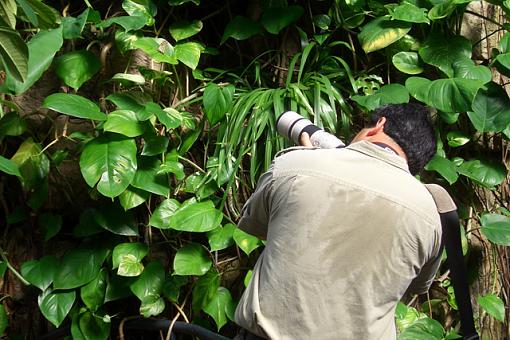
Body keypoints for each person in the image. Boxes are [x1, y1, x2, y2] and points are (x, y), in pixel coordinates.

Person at [234, 103, 442, 340]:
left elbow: (260, 227)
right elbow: (415, 284)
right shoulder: (430, 214)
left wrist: (310, 159)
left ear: (379, 125)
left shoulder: (294, 166)